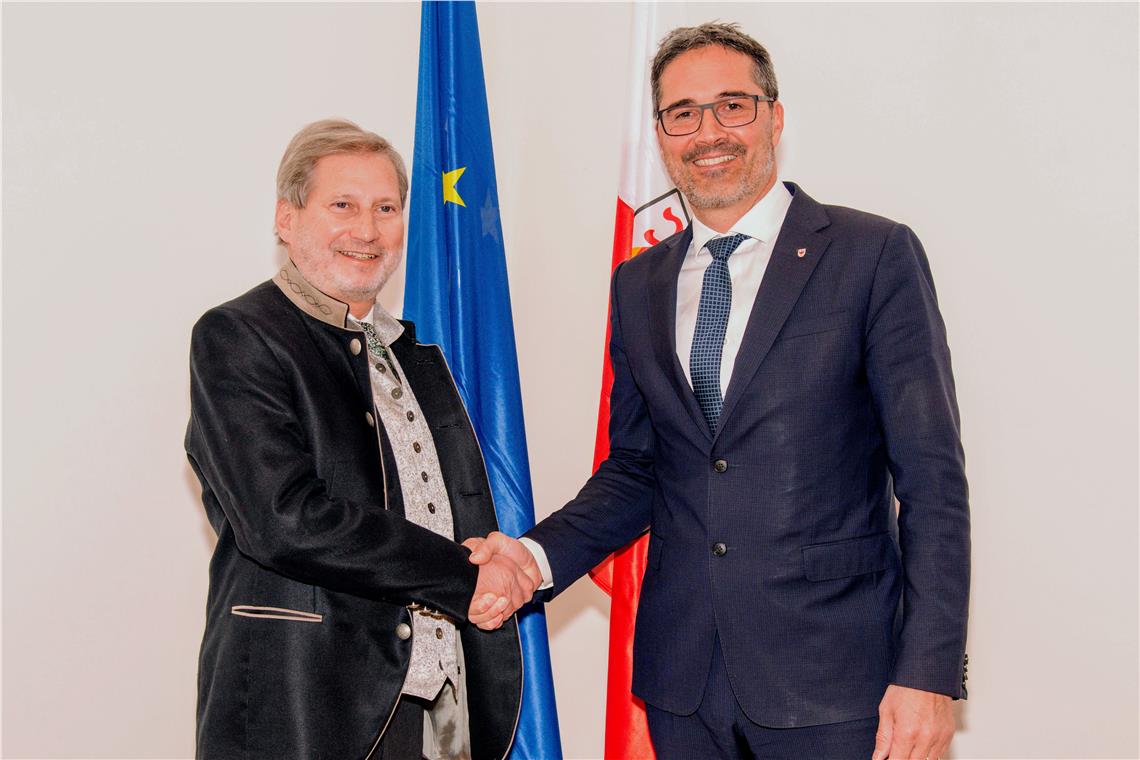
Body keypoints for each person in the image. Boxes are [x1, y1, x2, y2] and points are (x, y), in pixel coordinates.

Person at [468, 22, 970, 760]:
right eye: (683, 113)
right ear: (661, 135)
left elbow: (932, 479)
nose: (708, 131)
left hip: (838, 679)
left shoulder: (872, 255)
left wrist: (927, 672)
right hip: (685, 684)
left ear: (774, 116)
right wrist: (533, 560)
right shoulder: (638, 283)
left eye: (732, 105)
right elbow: (639, 469)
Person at [185, 119, 535, 760]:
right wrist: (465, 577)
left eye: (386, 208)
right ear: (287, 219)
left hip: (437, 708)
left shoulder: (414, 353)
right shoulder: (238, 336)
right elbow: (285, 520)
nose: (367, 230)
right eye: (342, 205)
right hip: (305, 703)